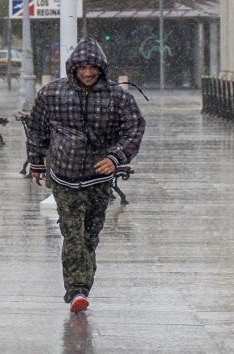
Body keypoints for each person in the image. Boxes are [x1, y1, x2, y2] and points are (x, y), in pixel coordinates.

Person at [26, 38, 146, 314]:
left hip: (98, 178)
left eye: (93, 68)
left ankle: (83, 284)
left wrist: (115, 157)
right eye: (83, 68)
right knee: (73, 234)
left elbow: (134, 129)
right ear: (74, 68)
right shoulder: (51, 94)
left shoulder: (119, 97)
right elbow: (37, 130)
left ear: (101, 68)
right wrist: (36, 163)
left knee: (90, 235)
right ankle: (76, 290)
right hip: (64, 175)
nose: (89, 73)